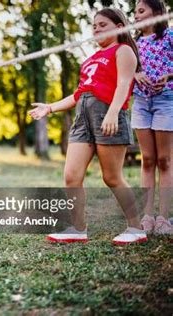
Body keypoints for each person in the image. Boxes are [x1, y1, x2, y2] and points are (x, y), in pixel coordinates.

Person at [29, 8, 146, 245]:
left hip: (108, 115)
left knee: (112, 177)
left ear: (119, 26)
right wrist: (49, 107)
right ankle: (77, 228)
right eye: (94, 25)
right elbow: (79, 94)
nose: (96, 29)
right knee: (71, 176)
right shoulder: (90, 59)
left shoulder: (123, 51)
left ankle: (136, 227)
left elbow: (124, 84)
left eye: (103, 24)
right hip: (82, 118)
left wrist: (113, 113)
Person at [131, 0, 173, 235]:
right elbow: (126, 68)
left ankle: (164, 218)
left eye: (141, 11)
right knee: (147, 161)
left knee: (164, 161)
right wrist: (136, 74)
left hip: (166, 101)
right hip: (141, 104)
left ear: (156, 13)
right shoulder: (134, 44)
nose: (135, 16)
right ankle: (147, 216)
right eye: (135, 11)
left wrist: (168, 75)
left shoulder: (168, 37)